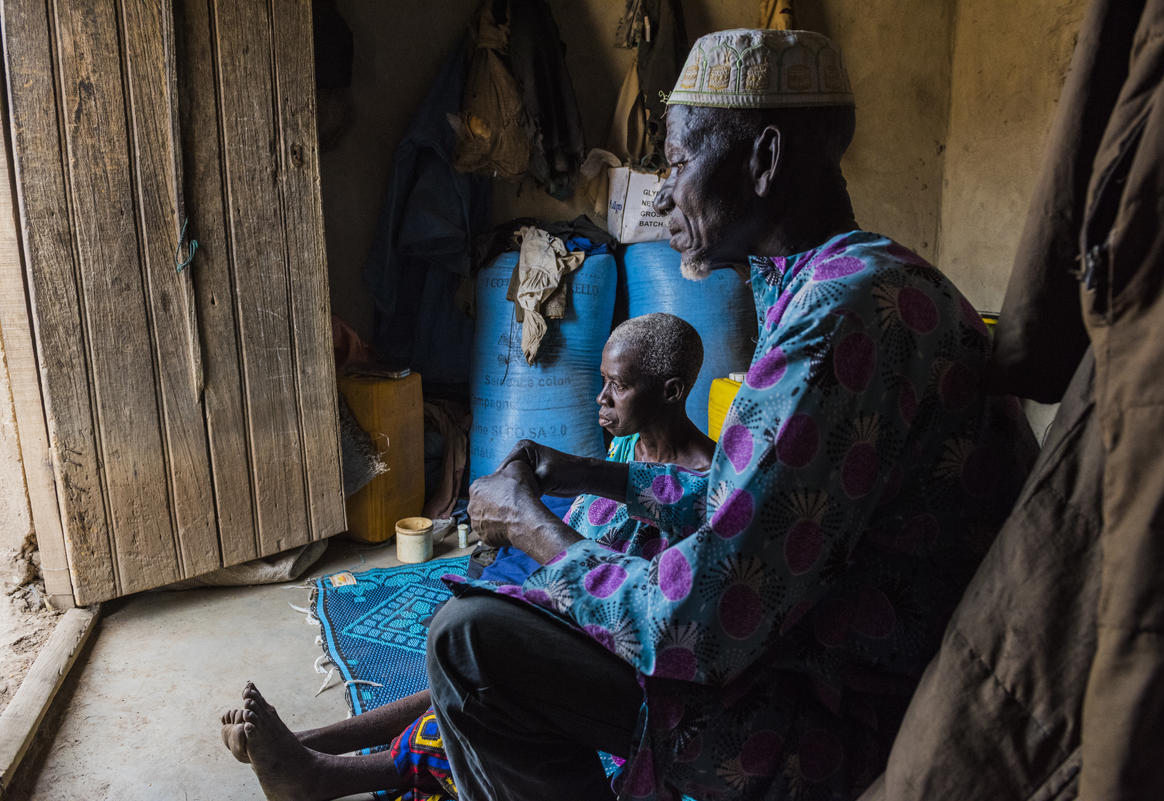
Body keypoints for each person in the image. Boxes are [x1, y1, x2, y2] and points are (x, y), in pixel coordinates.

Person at [428, 28, 1038, 801]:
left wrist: (526, 523)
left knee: (470, 644)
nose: (660, 194)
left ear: (764, 159)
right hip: (838, 651)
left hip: (853, 711)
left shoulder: (837, 322)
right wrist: (586, 473)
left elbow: (695, 625)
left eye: (678, 163)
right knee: (593, 544)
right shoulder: (856, 278)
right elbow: (754, 510)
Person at [220, 313, 715, 801]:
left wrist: (530, 548)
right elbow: (585, 533)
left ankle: (320, 775)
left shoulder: (707, 487)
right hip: (582, 620)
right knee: (463, 662)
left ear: (671, 392)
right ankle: (311, 745)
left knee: (478, 688)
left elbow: (652, 606)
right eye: (602, 381)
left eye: (618, 386)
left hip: (631, 661)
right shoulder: (626, 451)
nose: (601, 397)